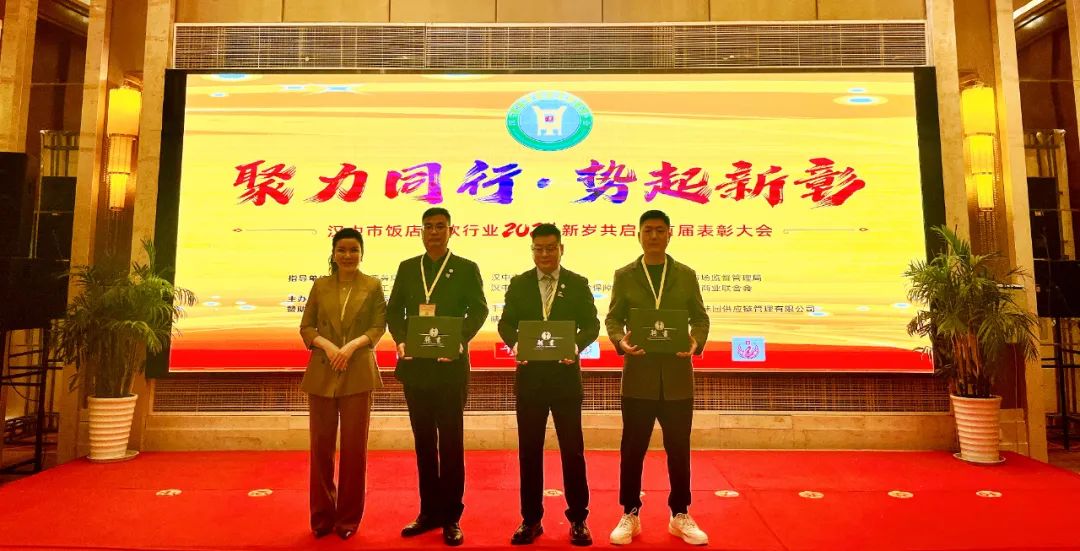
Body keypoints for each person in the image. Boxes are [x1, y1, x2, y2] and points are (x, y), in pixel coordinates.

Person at [604, 210, 710, 546]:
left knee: (678, 449)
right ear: (638, 235)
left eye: (660, 230)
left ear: (669, 234)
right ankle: (630, 513)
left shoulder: (685, 275)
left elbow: (701, 318)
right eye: (648, 230)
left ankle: (680, 514)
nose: (653, 236)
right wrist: (619, 341)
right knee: (632, 449)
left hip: (677, 378)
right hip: (639, 376)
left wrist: (695, 341)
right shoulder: (625, 275)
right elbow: (613, 319)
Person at [386, 207, 489, 546]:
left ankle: (451, 516)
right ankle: (428, 512)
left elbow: (480, 309)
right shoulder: (408, 268)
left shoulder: (466, 268)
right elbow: (394, 311)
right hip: (416, 367)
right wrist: (401, 340)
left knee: (451, 443)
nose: (434, 232)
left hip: (450, 366)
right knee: (424, 443)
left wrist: (460, 340)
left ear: (450, 231)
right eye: (428, 226)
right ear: (421, 231)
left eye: (440, 226)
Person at [498, 223, 599, 546]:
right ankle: (531, 520)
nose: (544, 254)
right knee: (529, 453)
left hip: (565, 378)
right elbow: (506, 323)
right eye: (538, 249)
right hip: (530, 380)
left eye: (550, 248)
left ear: (561, 249)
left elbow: (592, 325)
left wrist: (576, 346)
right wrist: (515, 344)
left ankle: (579, 519)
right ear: (532, 251)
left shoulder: (577, 284)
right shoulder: (519, 284)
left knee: (573, 452)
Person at [299, 227, 387, 540]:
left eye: (353, 250)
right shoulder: (320, 285)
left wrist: (350, 347)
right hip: (323, 372)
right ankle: (322, 517)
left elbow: (378, 326)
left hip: (357, 371)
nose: (348, 255)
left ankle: (348, 519)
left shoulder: (373, 285)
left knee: (354, 451)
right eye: (342, 250)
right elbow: (306, 327)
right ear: (334, 254)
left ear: (361, 253)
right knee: (320, 449)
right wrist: (327, 346)